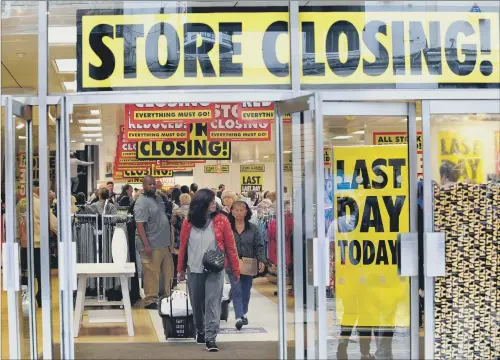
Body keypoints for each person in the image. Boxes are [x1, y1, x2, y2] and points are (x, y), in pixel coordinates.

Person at [177, 189, 240, 352]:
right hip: (194, 268)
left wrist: (235, 270)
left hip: (215, 269)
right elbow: (183, 246)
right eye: (211, 201)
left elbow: (231, 246)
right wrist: (180, 269)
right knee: (197, 303)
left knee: (212, 303)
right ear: (201, 204)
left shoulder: (222, 220)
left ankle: (211, 337)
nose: (215, 203)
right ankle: (201, 330)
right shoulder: (188, 221)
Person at [134, 175, 174, 309]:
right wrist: (146, 245)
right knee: (151, 273)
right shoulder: (141, 202)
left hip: (164, 243)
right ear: (143, 186)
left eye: (153, 184)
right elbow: (139, 225)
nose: (152, 186)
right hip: (151, 243)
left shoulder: (158, 198)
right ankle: (150, 299)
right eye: (149, 184)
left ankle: (165, 297)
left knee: (167, 273)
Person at [227, 201, 266, 330]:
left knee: (246, 289)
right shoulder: (227, 227)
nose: (238, 212)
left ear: (246, 212)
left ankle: (243, 312)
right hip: (232, 263)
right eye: (236, 210)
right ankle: (239, 316)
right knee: (236, 289)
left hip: (249, 262)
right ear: (231, 211)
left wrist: (261, 260)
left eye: (241, 210)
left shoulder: (253, 228)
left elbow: (259, 245)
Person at [17, 187, 58, 307]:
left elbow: (15, 223)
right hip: (39, 244)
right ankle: (41, 299)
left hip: (24, 244)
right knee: (42, 274)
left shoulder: (21, 203)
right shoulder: (41, 204)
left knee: (25, 274)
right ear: (39, 192)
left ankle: (26, 300)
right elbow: (53, 223)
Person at [171, 193, 191, 287]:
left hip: (179, 241)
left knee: (176, 261)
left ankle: (175, 280)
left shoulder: (177, 212)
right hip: (191, 242)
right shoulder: (194, 212)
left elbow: (175, 226)